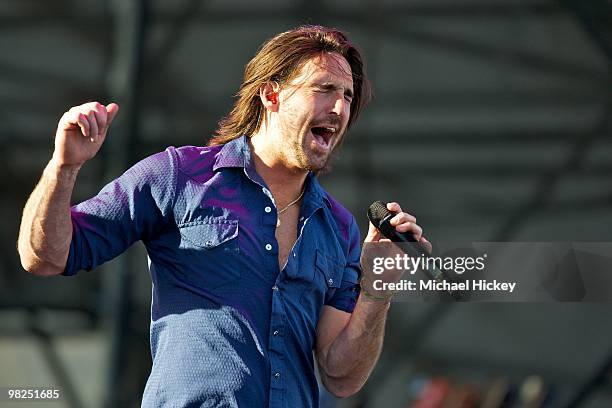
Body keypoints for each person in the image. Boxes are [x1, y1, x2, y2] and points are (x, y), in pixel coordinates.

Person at [18, 25, 428, 407]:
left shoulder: (337, 227)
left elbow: (342, 377)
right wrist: (64, 167)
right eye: (324, 89)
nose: (339, 108)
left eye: (348, 96)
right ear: (272, 95)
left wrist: (377, 289)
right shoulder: (179, 176)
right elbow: (46, 256)